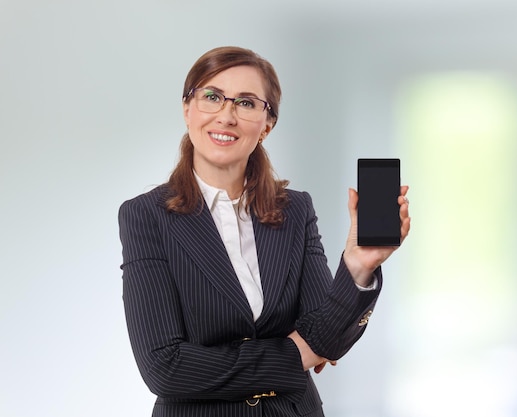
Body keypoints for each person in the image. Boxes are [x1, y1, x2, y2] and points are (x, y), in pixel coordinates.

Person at [118, 45, 411, 417]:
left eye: (246, 103)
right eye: (212, 97)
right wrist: (296, 354)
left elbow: (327, 337)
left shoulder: (295, 209)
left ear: (267, 125)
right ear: (187, 109)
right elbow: (166, 368)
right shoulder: (146, 216)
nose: (226, 115)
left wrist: (358, 265)